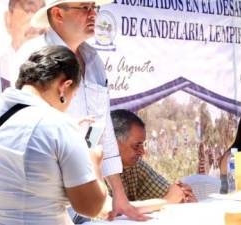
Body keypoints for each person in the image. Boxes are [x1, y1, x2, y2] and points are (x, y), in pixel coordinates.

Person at [13, 0, 148, 221]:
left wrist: (119, 194)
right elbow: (22, 129)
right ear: (58, 14)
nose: (93, 14)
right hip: (44, 198)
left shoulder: (94, 60)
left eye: (95, 8)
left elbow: (103, 130)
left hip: (87, 192)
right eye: (85, 8)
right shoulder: (31, 56)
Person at [0, 45, 107, 225]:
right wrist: (94, 163)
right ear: (65, 87)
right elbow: (90, 207)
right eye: (73, 96)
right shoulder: (59, 126)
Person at [111, 109, 197, 203]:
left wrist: (183, 195)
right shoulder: (96, 169)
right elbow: (109, 212)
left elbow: (168, 192)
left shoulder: (135, 166)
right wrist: (166, 202)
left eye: (142, 145)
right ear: (114, 144)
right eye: (136, 146)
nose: (142, 152)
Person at [0, 0, 45, 90]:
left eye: (42, 13)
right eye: (29, 10)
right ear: (8, 19)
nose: (38, 26)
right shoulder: (2, 72)